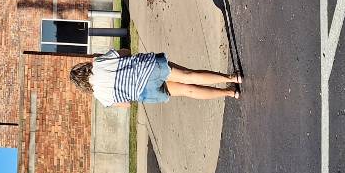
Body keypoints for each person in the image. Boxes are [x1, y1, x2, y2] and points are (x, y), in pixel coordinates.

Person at [69, 49, 241, 107]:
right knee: (189, 76)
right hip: (148, 69)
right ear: (84, 67)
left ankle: (229, 93)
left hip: (146, 92)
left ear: (82, 86)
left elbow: (127, 104)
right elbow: (126, 52)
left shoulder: (101, 97)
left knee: (188, 90)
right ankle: (232, 78)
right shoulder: (98, 63)